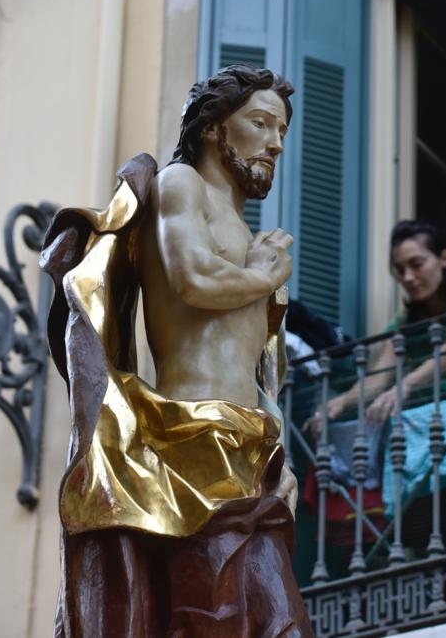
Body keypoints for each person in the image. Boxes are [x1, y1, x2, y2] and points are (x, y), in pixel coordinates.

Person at [41, 65, 312, 637]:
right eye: (260, 123)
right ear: (216, 127)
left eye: (282, 131)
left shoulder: (243, 228)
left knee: (272, 621)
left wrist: (279, 456)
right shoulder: (183, 185)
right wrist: (264, 275)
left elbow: (260, 368)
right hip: (195, 443)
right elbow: (192, 278)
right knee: (217, 615)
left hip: (249, 448)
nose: (275, 143)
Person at [316, 219, 446, 427]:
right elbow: (379, 378)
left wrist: (405, 385)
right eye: (400, 270)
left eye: (416, 264)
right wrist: (339, 402)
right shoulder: (404, 319)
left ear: (443, 258)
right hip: (431, 421)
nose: (408, 277)